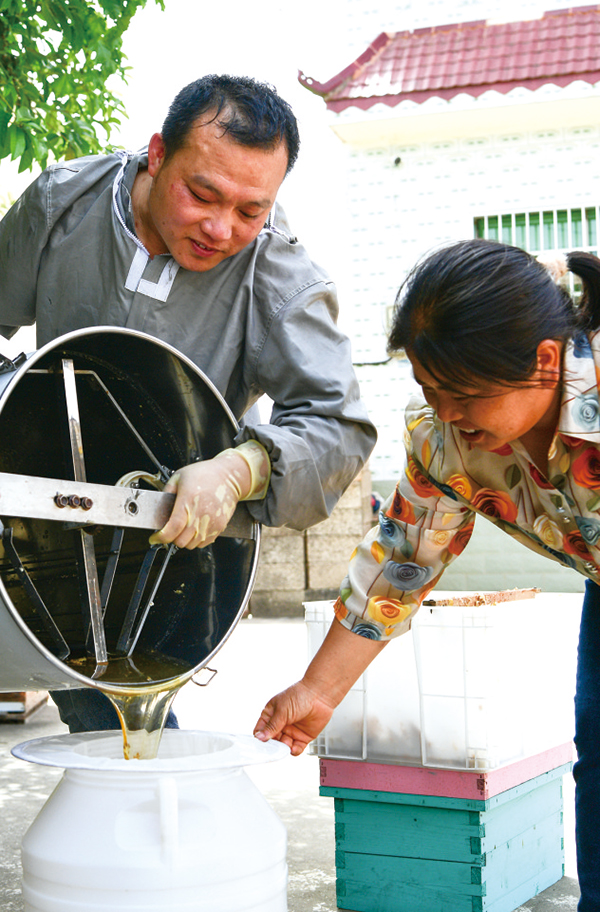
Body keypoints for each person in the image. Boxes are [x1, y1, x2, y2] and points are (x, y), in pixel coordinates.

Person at [0, 74, 376, 732]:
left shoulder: (278, 279)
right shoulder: (63, 202)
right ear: (156, 154)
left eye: (251, 211)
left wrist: (239, 470)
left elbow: (339, 428)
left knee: (116, 712)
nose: (220, 228)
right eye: (201, 195)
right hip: (32, 509)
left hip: (163, 550)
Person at [254, 238, 600, 911]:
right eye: (429, 390)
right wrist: (317, 692)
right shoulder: (445, 446)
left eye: (463, 394)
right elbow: (400, 566)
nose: (445, 412)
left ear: (545, 361)